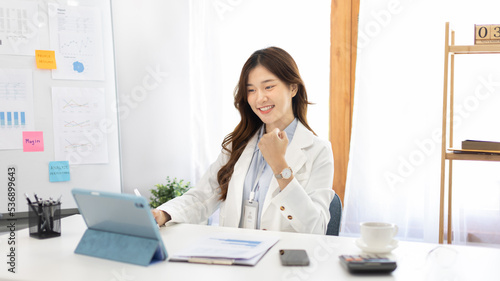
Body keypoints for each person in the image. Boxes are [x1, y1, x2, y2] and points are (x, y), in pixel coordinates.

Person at [152, 46, 334, 234]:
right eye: (251, 90)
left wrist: (279, 165)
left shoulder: (318, 151)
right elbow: (203, 196)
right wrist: (163, 213)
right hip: (234, 256)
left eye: (268, 87)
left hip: (281, 259)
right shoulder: (238, 143)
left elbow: (316, 228)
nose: (260, 98)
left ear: (293, 88)